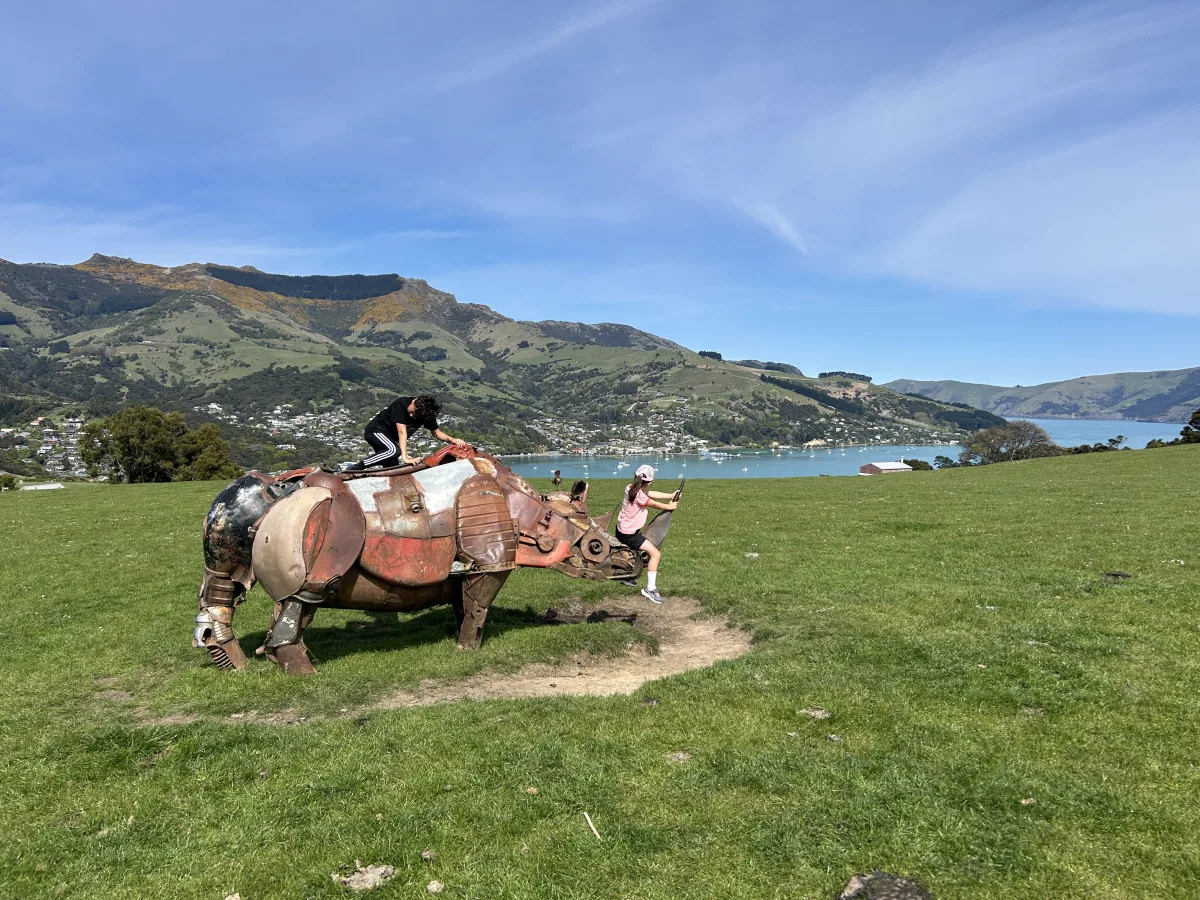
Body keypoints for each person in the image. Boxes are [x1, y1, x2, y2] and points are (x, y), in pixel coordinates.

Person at [614, 464, 678, 604]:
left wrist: (670, 495)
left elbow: (650, 494)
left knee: (634, 552)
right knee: (655, 554)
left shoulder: (630, 488)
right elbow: (652, 503)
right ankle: (650, 589)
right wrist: (669, 506)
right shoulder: (639, 494)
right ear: (649, 481)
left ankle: (627, 576)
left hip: (621, 530)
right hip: (629, 534)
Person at [348, 395, 466, 470]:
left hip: (390, 440)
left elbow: (436, 433)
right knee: (394, 451)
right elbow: (402, 432)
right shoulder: (401, 404)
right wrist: (405, 458)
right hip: (376, 431)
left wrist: (452, 440)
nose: (411, 415)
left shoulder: (426, 414)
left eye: (414, 415)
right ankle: (356, 468)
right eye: (411, 411)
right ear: (414, 400)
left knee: (393, 470)